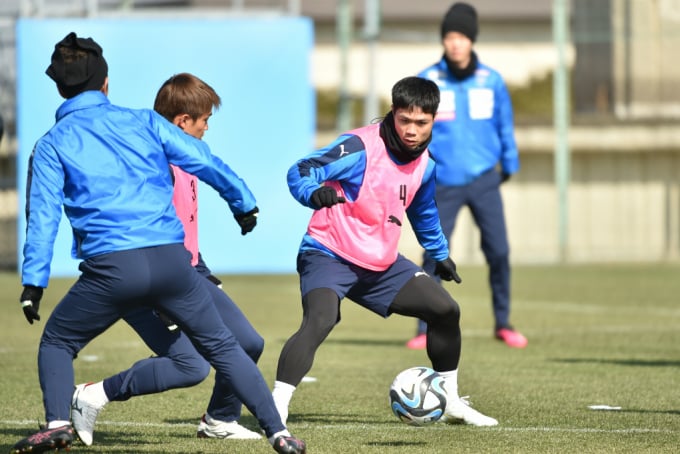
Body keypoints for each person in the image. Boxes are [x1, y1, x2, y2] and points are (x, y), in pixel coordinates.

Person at [12, 32, 305, 454]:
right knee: (223, 346)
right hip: (173, 263)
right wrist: (243, 202)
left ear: (59, 88)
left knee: (58, 342)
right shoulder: (145, 121)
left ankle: (58, 422)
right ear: (106, 84)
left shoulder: (51, 144)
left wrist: (33, 283)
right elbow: (203, 160)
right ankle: (279, 432)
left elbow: (42, 218)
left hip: (113, 271)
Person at [271, 76, 498, 428]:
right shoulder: (359, 147)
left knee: (445, 310)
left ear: (433, 120)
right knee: (322, 318)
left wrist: (439, 252)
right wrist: (312, 193)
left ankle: (451, 401)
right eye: (404, 120)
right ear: (393, 113)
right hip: (328, 252)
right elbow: (302, 169)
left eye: (421, 123)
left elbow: (422, 211)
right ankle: (276, 407)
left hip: (379, 264)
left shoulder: (426, 164)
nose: (411, 130)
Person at [69, 72, 267, 447]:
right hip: (146, 276)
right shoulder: (149, 162)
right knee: (191, 366)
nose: (208, 127)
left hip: (189, 270)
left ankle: (220, 418)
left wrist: (203, 269)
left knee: (248, 343)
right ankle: (93, 395)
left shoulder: (186, 158)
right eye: (205, 120)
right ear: (182, 122)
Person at [407, 2, 527, 350]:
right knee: (432, 254)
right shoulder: (430, 79)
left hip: (484, 179)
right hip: (442, 181)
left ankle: (503, 323)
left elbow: (504, 124)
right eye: (449, 37)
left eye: (461, 37)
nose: (455, 43)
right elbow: (415, 127)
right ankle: (423, 328)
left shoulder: (491, 80)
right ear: (443, 41)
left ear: (472, 40)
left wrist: (510, 162)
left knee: (499, 251)